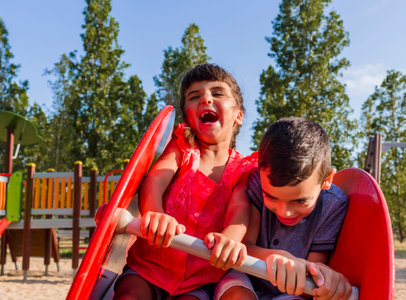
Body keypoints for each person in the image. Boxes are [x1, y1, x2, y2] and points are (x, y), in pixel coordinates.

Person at [114, 64, 254, 300]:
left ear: (238, 115)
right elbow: (155, 180)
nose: (206, 99)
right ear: (187, 115)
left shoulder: (243, 169)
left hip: (199, 278)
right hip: (148, 267)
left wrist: (230, 238)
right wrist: (155, 214)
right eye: (194, 96)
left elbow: (240, 209)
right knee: (129, 295)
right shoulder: (183, 147)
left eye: (217, 93)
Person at [215, 118, 352, 300]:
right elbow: (244, 246)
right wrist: (275, 256)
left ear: (326, 180)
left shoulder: (332, 205)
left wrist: (324, 278)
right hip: (245, 274)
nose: (284, 212)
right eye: (271, 196)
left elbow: (312, 273)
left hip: (292, 289)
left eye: (300, 201)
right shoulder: (257, 181)